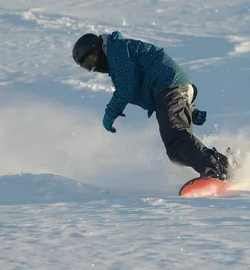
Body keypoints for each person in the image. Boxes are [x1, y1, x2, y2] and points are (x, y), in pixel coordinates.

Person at [72, 31, 231, 180]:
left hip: (169, 88)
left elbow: (127, 87)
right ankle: (225, 166)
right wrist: (190, 109)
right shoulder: (117, 56)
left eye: (91, 61)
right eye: (87, 67)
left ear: (98, 49)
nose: (94, 68)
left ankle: (216, 171)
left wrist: (110, 113)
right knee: (175, 153)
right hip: (171, 92)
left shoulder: (116, 50)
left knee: (177, 136)